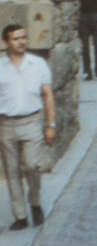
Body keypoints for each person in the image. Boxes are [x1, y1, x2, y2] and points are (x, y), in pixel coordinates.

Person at [0, 22, 57, 231]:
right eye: (16, 38)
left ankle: (34, 202)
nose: (22, 41)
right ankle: (20, 216)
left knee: (32, 165)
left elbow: (48, 95)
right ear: (6, 42)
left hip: (32, 122)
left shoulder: (38, 64)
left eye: (23, 37)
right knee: (12, 171)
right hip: (5, 124)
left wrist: (51, 124)